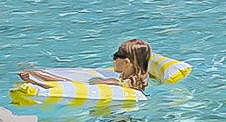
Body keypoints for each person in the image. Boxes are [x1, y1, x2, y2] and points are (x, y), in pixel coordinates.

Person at [20, 38, 154, 92]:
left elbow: (70, 85)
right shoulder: (140, 79)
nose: (113, 59)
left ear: (126, 62)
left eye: (116, 56)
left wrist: (34, 81)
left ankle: (32, 71)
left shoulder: (115, 82)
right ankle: (33, 72)